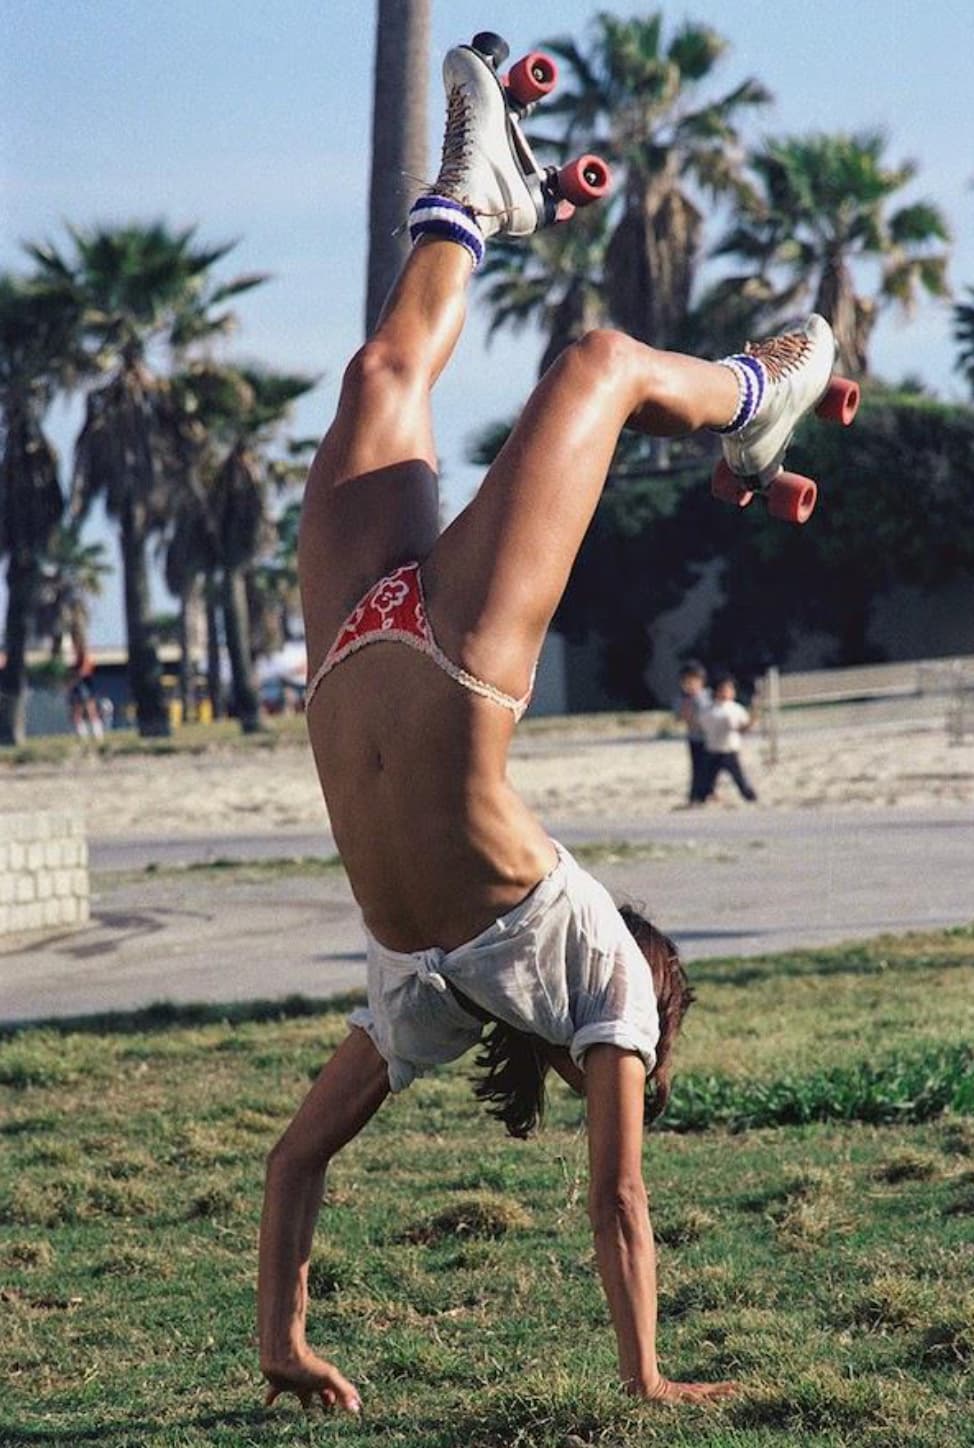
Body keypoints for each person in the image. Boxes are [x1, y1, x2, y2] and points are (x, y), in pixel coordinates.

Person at [257, 34, 840, 1415]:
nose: (640, 941)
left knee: (379, 381)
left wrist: (285, 1341)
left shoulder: (457, 1011)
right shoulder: (545, 986)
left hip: (358, 648)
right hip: (454, 660)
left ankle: (711, 371)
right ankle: (711, 374)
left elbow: (606, 1192)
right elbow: (608, 1195)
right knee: (592, 366)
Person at [699, 673, 758, 802]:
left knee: (738, 776)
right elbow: (704, 726)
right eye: (723, 690)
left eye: (730, 689)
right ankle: (704, 796)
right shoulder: (710, 709)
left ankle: (749, 795)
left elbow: (742, 728)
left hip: (730, 749)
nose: (726, 693)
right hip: (713, 749)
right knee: (709, 777)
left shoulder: (736, 708)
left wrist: (749, 723)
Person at [672, 659, 712, 805]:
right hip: (694, 738)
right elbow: (679, 717)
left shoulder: (707, 696)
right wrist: (686, 707)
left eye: (694, 682)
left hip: (711, 737)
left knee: (710, 767)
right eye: (686, 683)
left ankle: (709, 792)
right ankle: (695, 795)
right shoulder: (682, 699)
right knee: (697, 767)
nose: (690, 686)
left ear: (701, 681)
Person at [67, 629, 103, 742]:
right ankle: (84, 736)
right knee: (78, 711)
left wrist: (74, 680)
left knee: (87, 709)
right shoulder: (77, 656)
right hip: (82, 684)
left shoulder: (83, 655)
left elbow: (85, 669)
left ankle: (95, 735)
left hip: (83, 684)